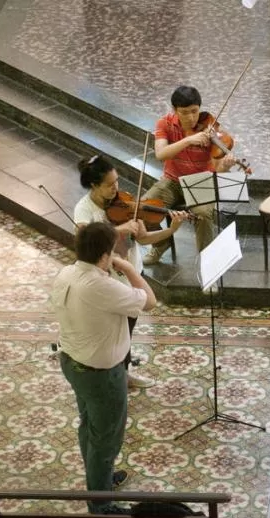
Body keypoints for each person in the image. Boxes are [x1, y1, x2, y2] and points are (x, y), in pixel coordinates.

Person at [52, 222, 156, 514]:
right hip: (102, 376)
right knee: (106, 437)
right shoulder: (101, 286)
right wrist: (127, 267)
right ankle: (101, 504)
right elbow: (150, 301)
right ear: (104, 255)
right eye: (112, 251)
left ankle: (100, 481)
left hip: (72, 363)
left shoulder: (66, 273)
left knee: (89, 426)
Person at [74, 154, 189, 388]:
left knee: (128, 330)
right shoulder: (83, 211)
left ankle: (123, 373)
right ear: (94, 186)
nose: (116, 188)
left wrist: (172, 229)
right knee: (114, 334)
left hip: (133, 274)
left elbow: (144, 239)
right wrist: (119, 229)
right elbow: (88, 246)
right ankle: (117, 376)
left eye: (117, 181)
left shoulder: (124, 203)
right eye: (109, 184)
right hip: (108, 282)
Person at [142, 85, 239, 264]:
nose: (191, 117)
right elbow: (161, 154)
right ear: (174, 110)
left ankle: (208, 264)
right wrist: (188, 140)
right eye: (184, 112)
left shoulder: (210, 130)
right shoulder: (164, 124)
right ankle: (160, 244)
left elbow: (217, 170)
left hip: (201, 182)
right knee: (144, 208)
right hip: (172, 181)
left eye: (195, 111)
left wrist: (225, 166)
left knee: (202, 215)